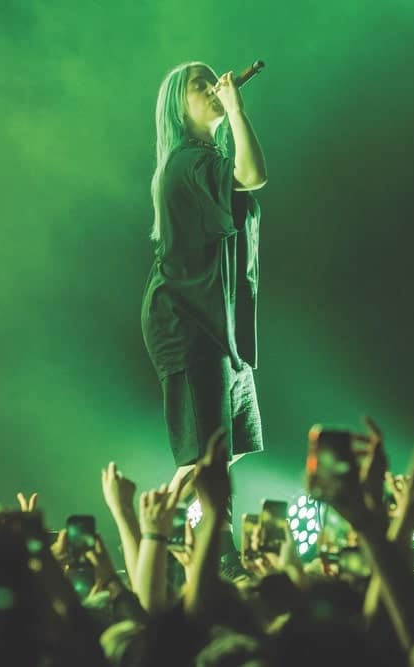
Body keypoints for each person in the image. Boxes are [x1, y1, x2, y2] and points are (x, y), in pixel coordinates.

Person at [140, 61, 268, 523]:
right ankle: (212, 551)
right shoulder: (189, 162)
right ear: (179, 105)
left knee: (231, 445)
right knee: (210, 454)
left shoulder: (208, 161)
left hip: (219, 322)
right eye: (201, 84)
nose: (215, 85)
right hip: (187, 316)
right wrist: (235, 108)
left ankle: (166, 525)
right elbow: (253, 174)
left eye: (215, 79)